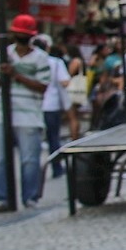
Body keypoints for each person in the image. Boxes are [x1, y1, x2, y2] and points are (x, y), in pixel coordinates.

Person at [0, 14, 51, 211]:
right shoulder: (3, 54)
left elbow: (42, 86)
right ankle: (3, 197)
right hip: (2, 112)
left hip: (29, 113)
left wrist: (15, 75)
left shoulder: (41, 58)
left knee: (29, 160)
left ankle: (29, 197)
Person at [34, 34, 71, 178]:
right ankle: (56, 167)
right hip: (51, 104)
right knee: (53, 138)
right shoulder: (55, 62)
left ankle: (36, 170)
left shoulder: (33, 62)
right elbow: (64, 82)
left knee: (35, 140)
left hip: (36, 105)